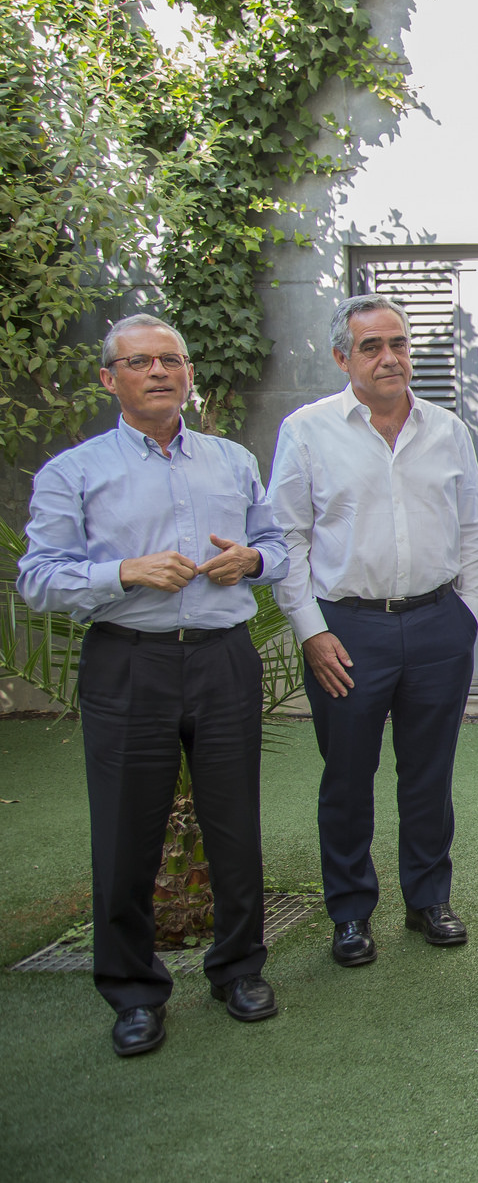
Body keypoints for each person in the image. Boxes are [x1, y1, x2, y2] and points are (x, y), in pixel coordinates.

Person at [20, 314, 288, 1057]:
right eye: (141, 361)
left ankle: (238, 970)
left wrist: (253, 563)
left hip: (221, 655)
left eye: (173, 359)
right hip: (127, 659)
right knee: (123, 831)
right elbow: (37, 580)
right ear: (111, 379)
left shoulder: (232, 460)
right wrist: (123, 572)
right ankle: (135, 992)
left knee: (235, 825)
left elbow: (275, 546)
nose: (161, 371)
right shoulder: (74, 472)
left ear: (189, 374)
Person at [269, 294, 478, 967]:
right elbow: (287, 537)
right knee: (346, 775)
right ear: (343, 357)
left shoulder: (447, 429)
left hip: (436, 623)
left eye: (398, 342)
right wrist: (310, 630)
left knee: (428, 774)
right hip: (347, 630)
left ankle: (429, 899)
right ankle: (350, 912)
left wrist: (467, 614)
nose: (391, 357)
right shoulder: (307, 430)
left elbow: (474, 526)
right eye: (372, 346)